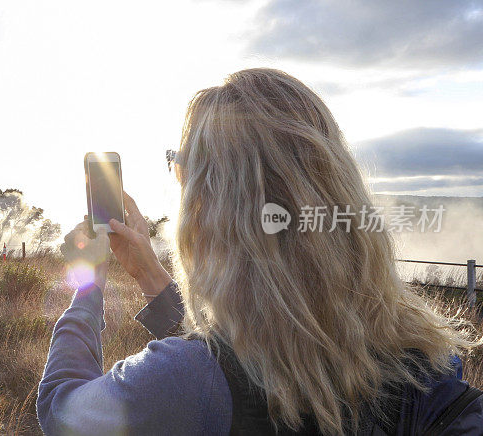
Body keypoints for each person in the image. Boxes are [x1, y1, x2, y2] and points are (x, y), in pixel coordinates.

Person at [36, 68, 483, 435]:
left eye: (180, 168)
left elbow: (61, 412)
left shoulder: (182, 381)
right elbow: (248, 349)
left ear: (207, 205)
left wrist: (87, 279)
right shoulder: (428, 365)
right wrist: (152, 277)